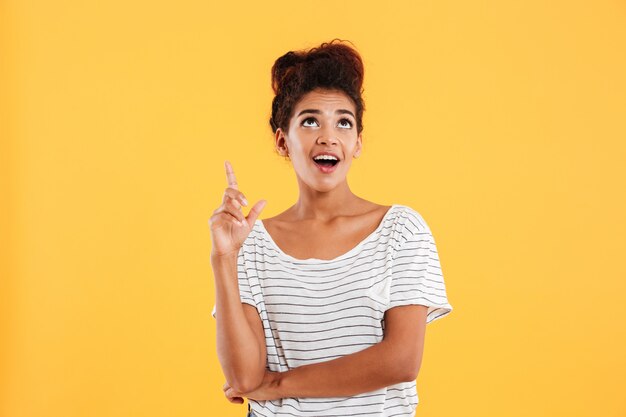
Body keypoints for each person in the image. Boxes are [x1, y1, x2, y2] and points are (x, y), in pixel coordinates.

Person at [209, 39, 453, 417]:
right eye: (310, 121)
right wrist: (224, 257)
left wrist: (276, 383)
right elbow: (242, 377)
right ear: (282, 141)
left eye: (344, 122)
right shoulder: (250, 243)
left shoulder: (401, 230)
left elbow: (400, 361)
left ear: (357, 143)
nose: (328, 136)